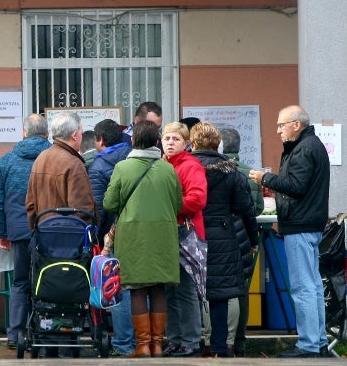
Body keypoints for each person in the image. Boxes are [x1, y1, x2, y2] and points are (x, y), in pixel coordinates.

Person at [249, 105, 330, 358]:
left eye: (281, 125)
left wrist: (265, 179)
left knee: (303, 287)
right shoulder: (311, 145)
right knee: (313, 286)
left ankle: (308, 345)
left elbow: (296, 186)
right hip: (309, 225)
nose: (278, 131)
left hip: (300, 226)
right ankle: (318, 342)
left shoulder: (304, 148)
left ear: (296, 124)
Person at [103, 120, 181, 358]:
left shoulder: (123, 168)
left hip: (133, 236)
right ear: (157, 142)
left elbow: (109, 203)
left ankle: (143, 345)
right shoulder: (168, 169)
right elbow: (178, 204)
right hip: (163, 236)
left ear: (133, 141)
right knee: (158, 288)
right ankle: (158, 344)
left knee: (136, 290)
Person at [190, 122, 258, 358]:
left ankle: (193, 343)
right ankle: (220, 345)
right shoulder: (231, 172)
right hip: (223, 235)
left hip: (191, 235)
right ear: (217, 143)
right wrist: (253, 238)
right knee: (220, 294)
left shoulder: (185, 168)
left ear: (194, 142)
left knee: (190, 293)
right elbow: (246, 208)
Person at [0, 114, 51, 349]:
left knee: (20, 282)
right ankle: (45, 331)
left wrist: (2, 232)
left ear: (23, 133)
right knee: (48, 281)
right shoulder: (55, 157)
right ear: (47, 134)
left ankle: (15, 334)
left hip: (18, 231)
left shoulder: (7, 161)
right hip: (50, 231)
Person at [87, 119, 135, 357]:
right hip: (139, 231)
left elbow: (98, 208)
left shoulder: (98, 167)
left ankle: (124, 344)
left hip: (112, 235)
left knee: (117, 288)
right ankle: (143, 341)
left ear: (101, 140)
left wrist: (96, 237)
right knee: (142, 287)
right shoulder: (133, 158)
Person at [160, 121, 207, 358]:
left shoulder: (191, 166)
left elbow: (198, 199)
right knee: (169, 290)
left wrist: (169, 207)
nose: (170, 143)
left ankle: (191, 341)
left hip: (185, 233)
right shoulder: (161, 165)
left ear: (186, 143)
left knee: (187, 290)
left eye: (175, 139)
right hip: (166, 234)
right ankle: (175, 340)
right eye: (167, 138)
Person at [220, 126, 264, 357]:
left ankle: (216, 339)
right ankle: (239, 341)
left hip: (218, 237)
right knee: (241, 289)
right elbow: (256, 210)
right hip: (244, 238)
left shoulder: (212, 170)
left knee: (217, 289)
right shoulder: (251, 174)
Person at [25, 111, 96, 230]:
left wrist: (36, 230)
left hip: (45, 235)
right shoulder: (74, 163)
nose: (81, 136)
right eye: (81, 132)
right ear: (74, 135)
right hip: (70, 239)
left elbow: (30, 204)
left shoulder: (41, 158)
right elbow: (83, 209)